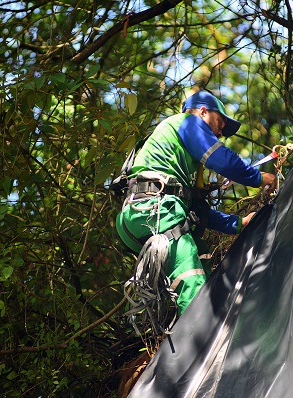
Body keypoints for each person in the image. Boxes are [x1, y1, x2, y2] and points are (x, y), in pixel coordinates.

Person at [116, 91, 276, 316]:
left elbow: (199, 212)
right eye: (219, 123)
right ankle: (194, 337)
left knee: (201, 255)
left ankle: (208, 319)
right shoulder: (188, 123)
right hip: (155, 209)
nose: (220, 133)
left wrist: (239, 223)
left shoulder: (182, 166)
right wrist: (259, 178)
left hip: (141, 215)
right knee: (189, 269)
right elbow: (220, 159)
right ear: (202, 112)